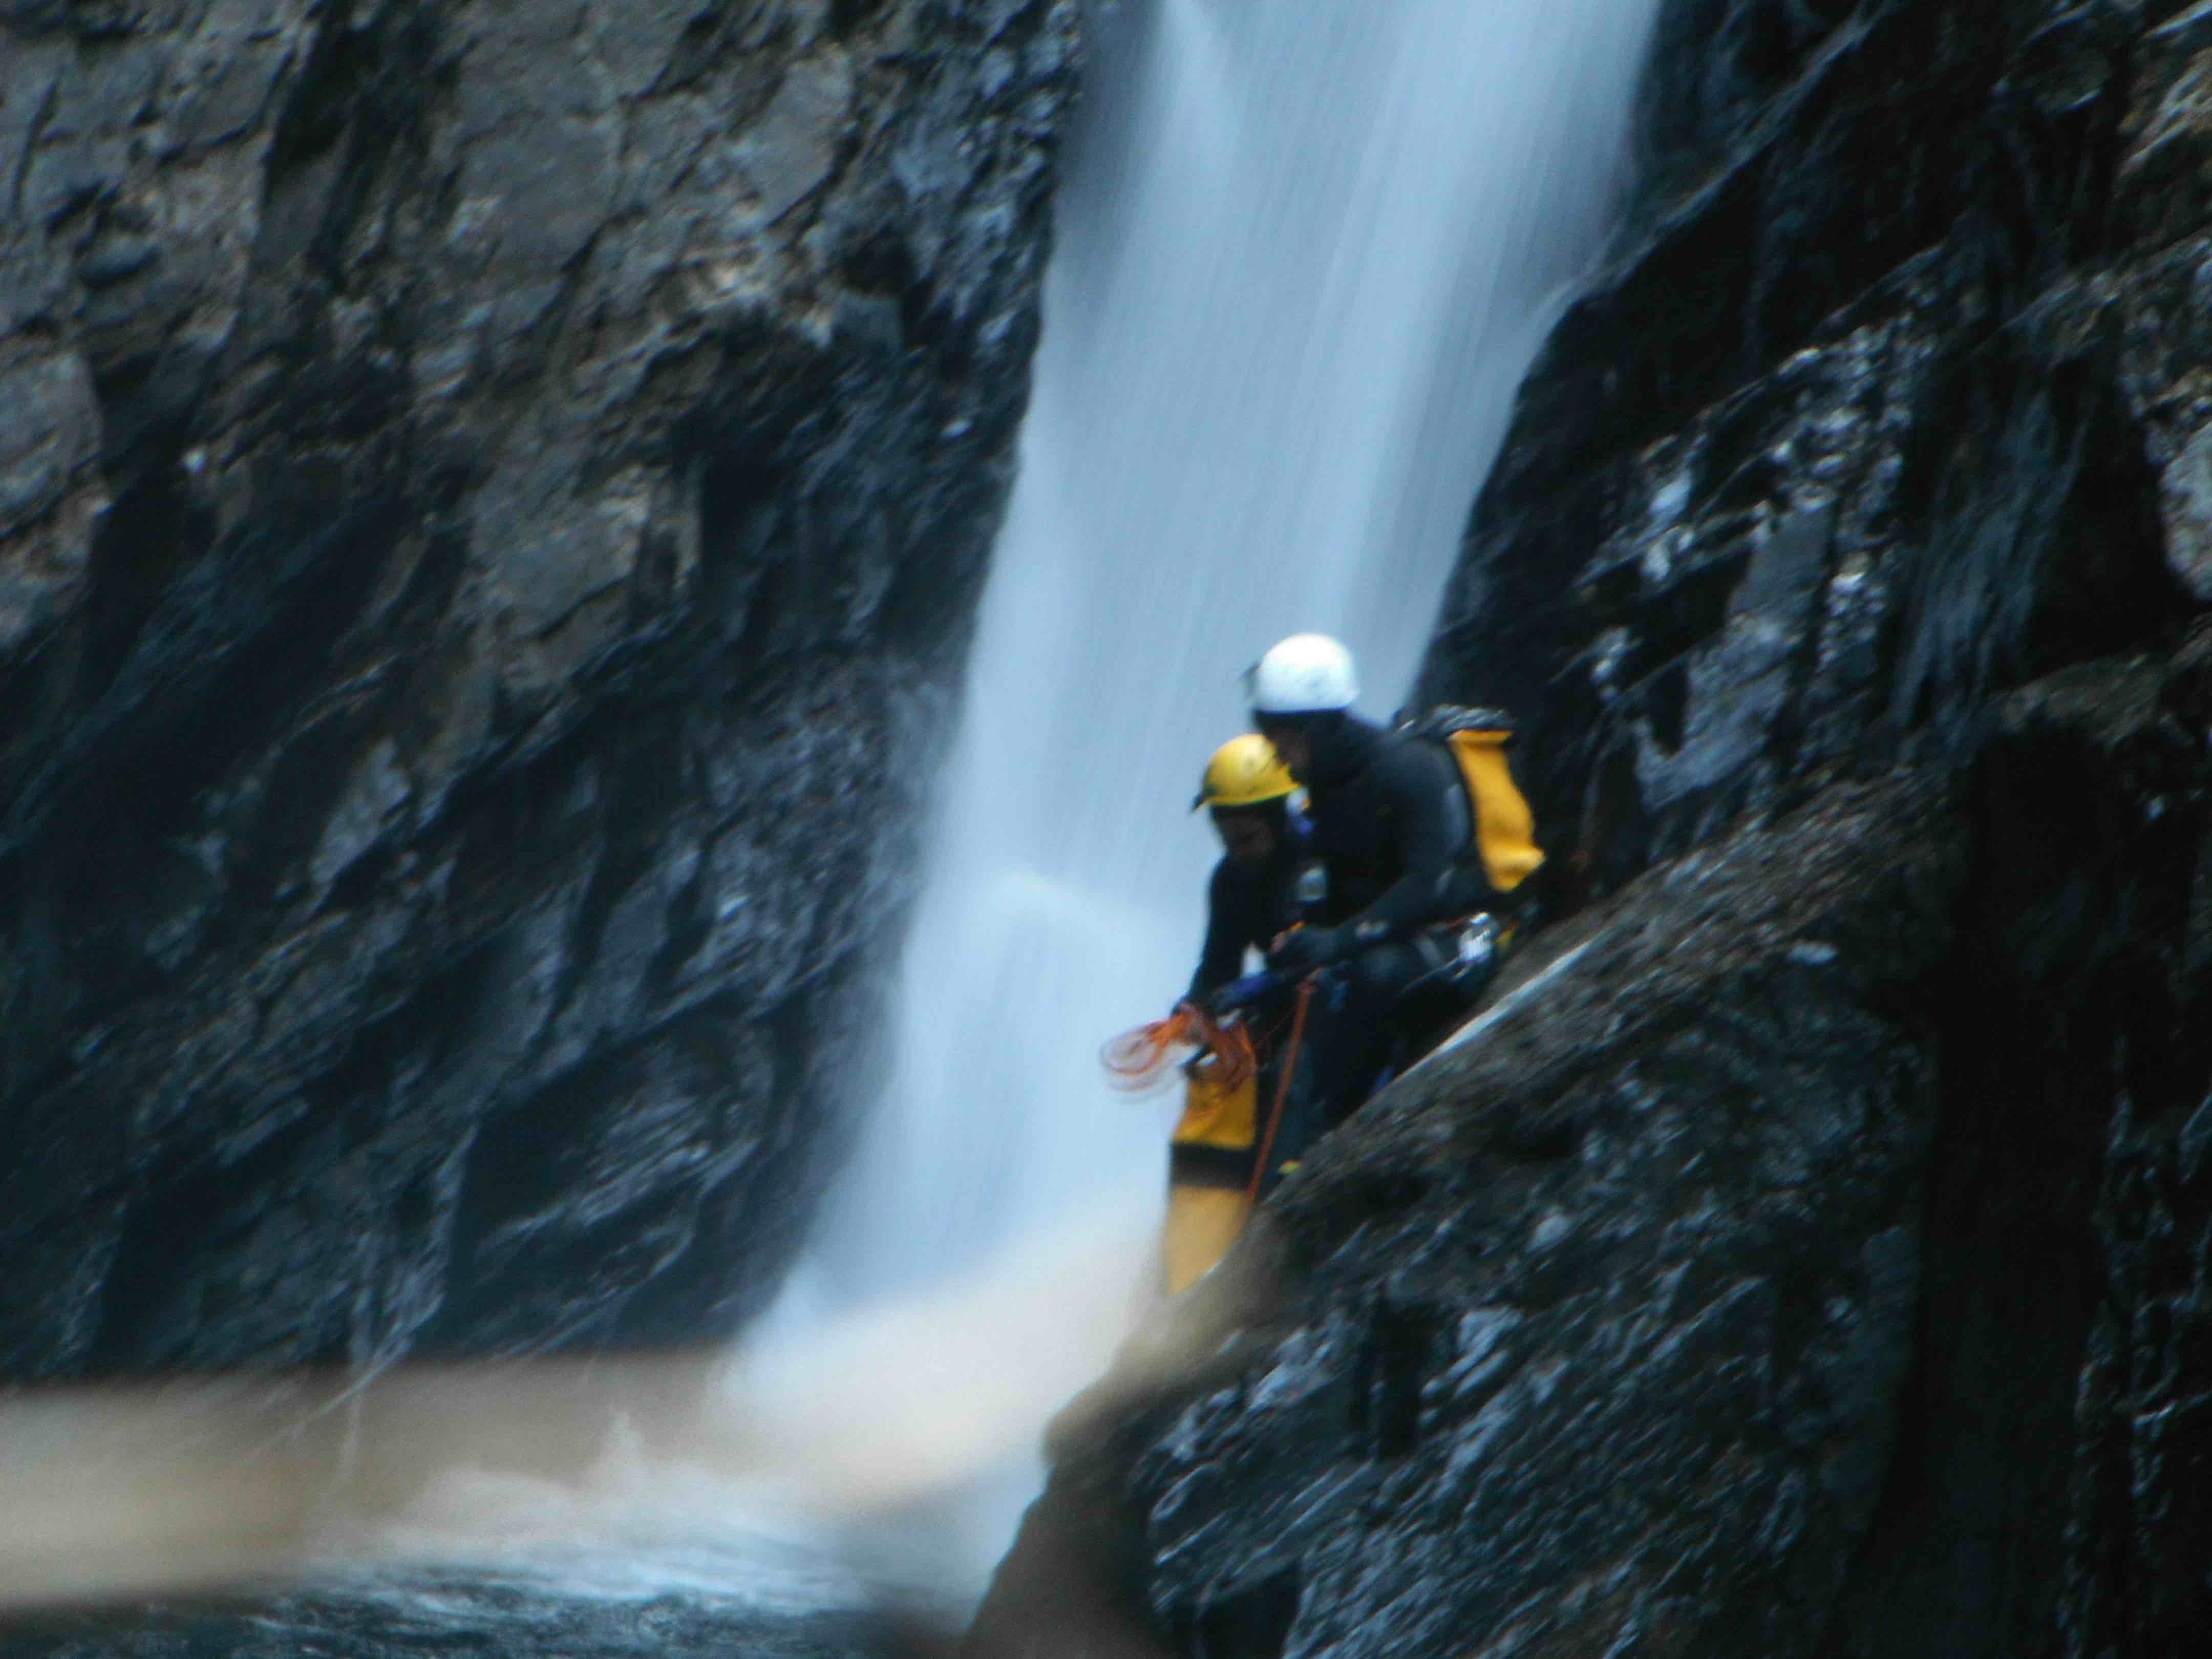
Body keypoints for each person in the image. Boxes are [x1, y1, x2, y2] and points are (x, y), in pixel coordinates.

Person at [1245, 631, 1543, 1166]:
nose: (1280, 757)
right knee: (1284, 1005)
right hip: (1393, 935)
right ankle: (1286, 1157)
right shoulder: (1328, 789)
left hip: (1469, 930)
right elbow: (1332, 891)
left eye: (1285, 741)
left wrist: (1338, 941)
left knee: (1373, 977)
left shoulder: (1409, 769)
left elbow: (1426, 886)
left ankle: (1334, 1138)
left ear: (1322, 726)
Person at [1160, 735, 1312, 1292]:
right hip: (1271, 1005)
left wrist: (1241, 993)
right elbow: (1218, 960)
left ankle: (1272, 1218)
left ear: (1276, 817)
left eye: (1246, 836)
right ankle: (1191, 1258)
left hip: (1327, 1005)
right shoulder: (1230, 880)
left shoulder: (1317, 861)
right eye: (1225, 835)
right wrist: (1194, 1006)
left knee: (1289, 1086)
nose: (1236, 848)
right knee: (1214, 1091)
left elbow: (1318, 956)